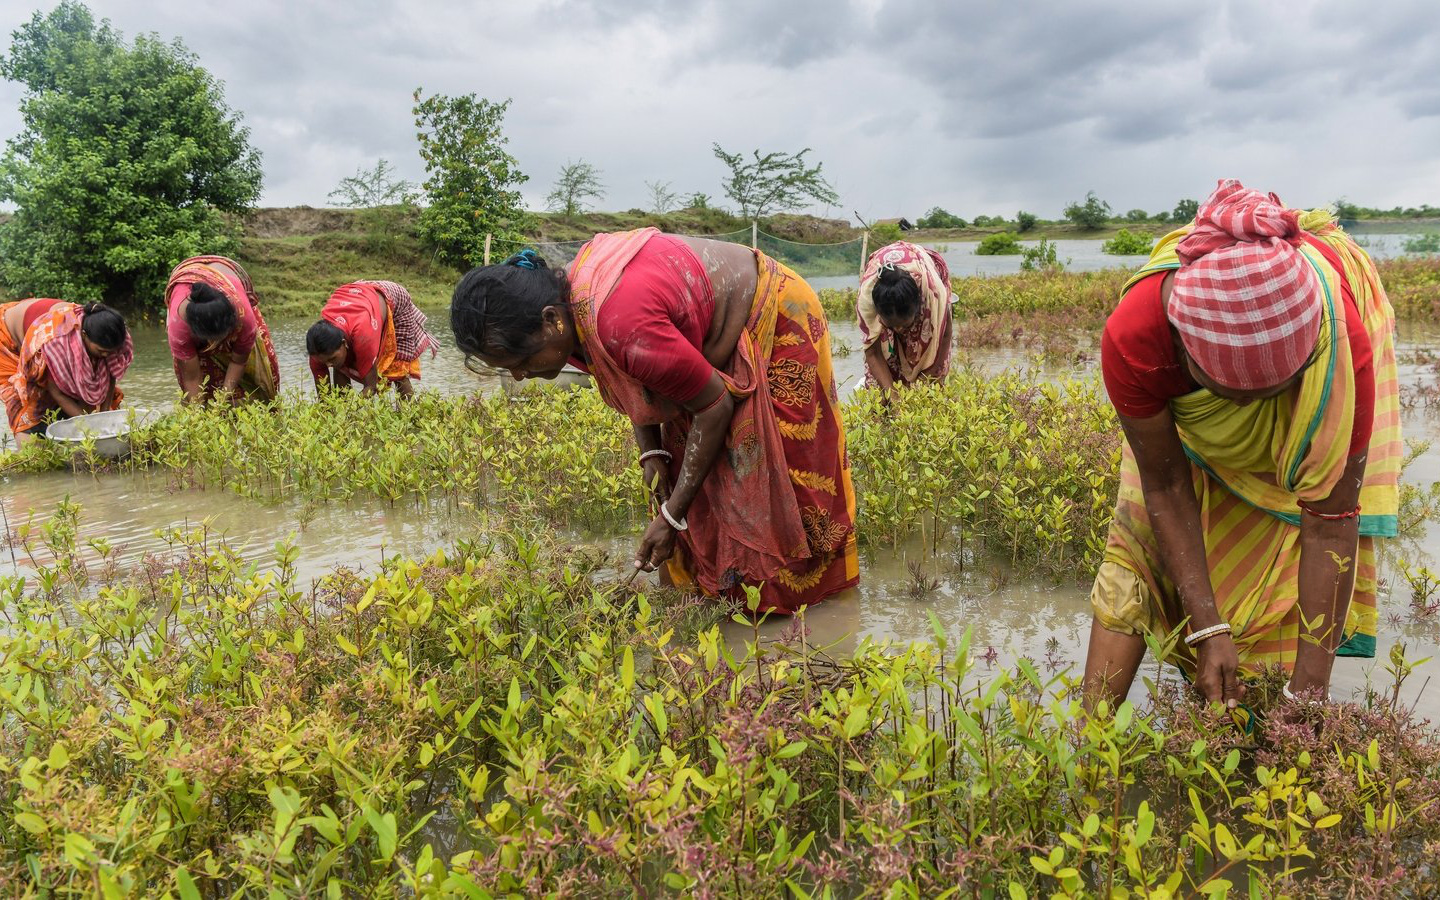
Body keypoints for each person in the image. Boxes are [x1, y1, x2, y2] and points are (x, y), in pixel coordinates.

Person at [1084, 179, 1400, 711]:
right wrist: (1207, 629)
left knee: (1276, 563)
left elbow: (1329, 523)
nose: (1261, 413)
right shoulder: (1138, 337)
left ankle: (1263, 724)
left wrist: (1308, 702)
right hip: (1181, 436)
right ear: (1186, 355)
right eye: (1239, 396)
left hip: (1324, 394)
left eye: (1280, 393)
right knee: (1137, 542)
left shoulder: (1341, 356)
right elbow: (1164, 484)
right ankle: (1081, 754)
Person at [450, 230, 859, 614]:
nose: (520, 376)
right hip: (690, 341)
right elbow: (628, 377)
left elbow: (713, 407)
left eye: (521, 362)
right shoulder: (573, 320)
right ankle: (714, 594)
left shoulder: (617, 322)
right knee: (685, 471)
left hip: (773, 310)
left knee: (786, 466)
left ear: (551, 320)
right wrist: (652, 450)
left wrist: (671, 517)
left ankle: (801, 607)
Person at [1, 299, 133, 447]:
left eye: (109, 353)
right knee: (27, 406)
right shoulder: (58, 343)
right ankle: (32, 459)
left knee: (84, 393)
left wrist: (103, 418)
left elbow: (109, 374)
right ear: (83, 335)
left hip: (35, 324)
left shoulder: (113, 333)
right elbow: (57, 392)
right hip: (7, 335)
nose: (105, 356)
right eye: (101, 351)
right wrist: (91, 426)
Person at [165, 255, 279, 403]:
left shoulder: (243, 315)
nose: (215, 344)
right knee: (195, 400)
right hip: (188, 327)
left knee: (260, 388)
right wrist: (197, 416)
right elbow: (191, 378)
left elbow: (238, 362)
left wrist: (222, 402)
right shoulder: (179, 327)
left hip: (237, 309)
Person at [857, 241, 954, 403]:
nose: (899, 329)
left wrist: (925, 382)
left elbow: (945, 335)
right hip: (885, 292)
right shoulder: (867, 297)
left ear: (919, 307)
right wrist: (893, 398)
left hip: (923, 277)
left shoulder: (932, 293)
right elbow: (872, 352)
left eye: (905, 324)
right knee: (879, 396)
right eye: (891, 325)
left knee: (930, 395)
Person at [307, 280, 437, 398]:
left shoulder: (363, 336)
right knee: (340, 365)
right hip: (358, 298)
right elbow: (323, 396)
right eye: (324, 361)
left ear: (344, 343)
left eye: (332, 358)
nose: (328, 364)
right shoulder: (318, 350)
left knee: (398, 369)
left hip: (394, 298)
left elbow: (371, 387)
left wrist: (350, 410)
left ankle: (412, 415)